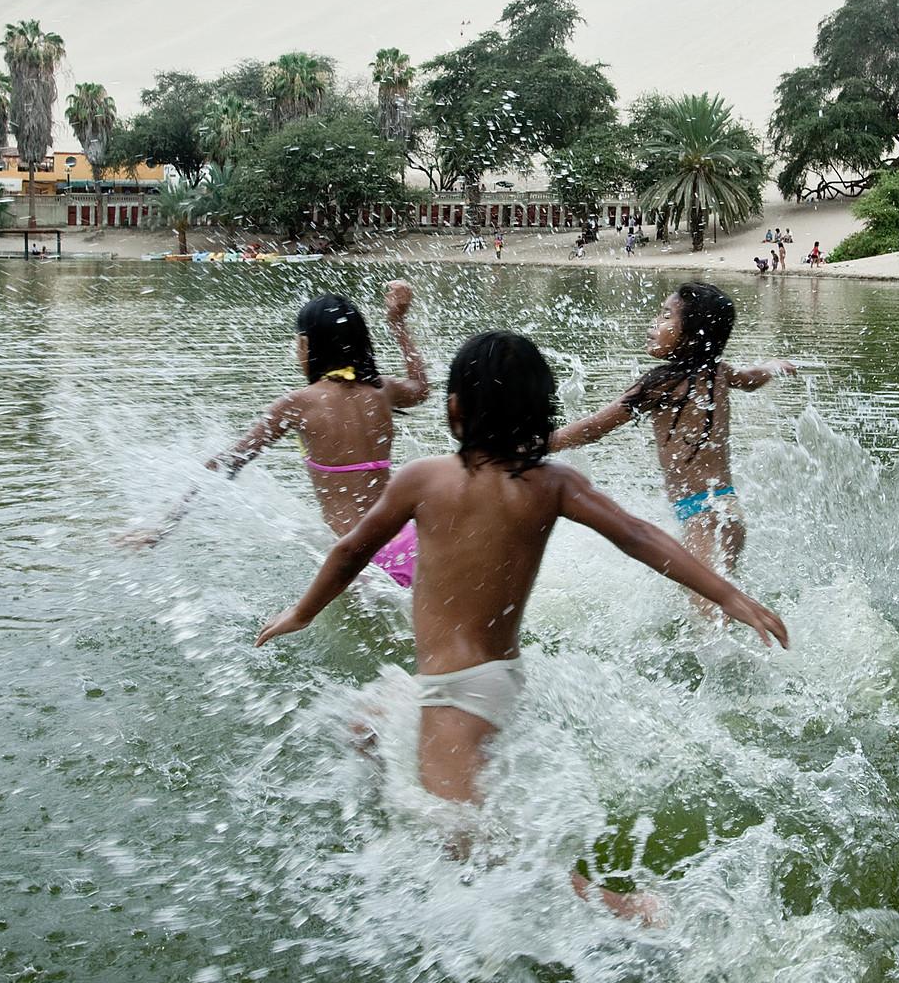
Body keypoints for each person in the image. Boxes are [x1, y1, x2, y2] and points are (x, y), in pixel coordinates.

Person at [256, 331, 787, 913]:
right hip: (491, 678)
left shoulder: (423, 478)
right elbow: (640, 536)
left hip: (456, 692)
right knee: (364, 726)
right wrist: (730, 595)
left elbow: (351, 549)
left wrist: (301, 612)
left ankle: (629, 911)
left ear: (454, 408)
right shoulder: (552, 483)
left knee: (466, 842)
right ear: (542, 412)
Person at [121, 282, 430, 585]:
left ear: (307, 345)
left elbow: (228, 462)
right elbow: (421, 388)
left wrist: (163, 526)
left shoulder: (297, 404)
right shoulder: (381, 390)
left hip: (361, 556)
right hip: (411, 543)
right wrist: (398, 323)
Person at [547, 283, 797, 582]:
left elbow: (592, 428)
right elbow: (750, 379)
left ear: (692, 335)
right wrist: (771, 367)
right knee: (716, 610)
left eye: (666, 316)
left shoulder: (660, 383)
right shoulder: (717, 370)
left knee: (712, 619)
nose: (654, 324)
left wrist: (529, 446)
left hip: (703, 517)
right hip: (724, 508)